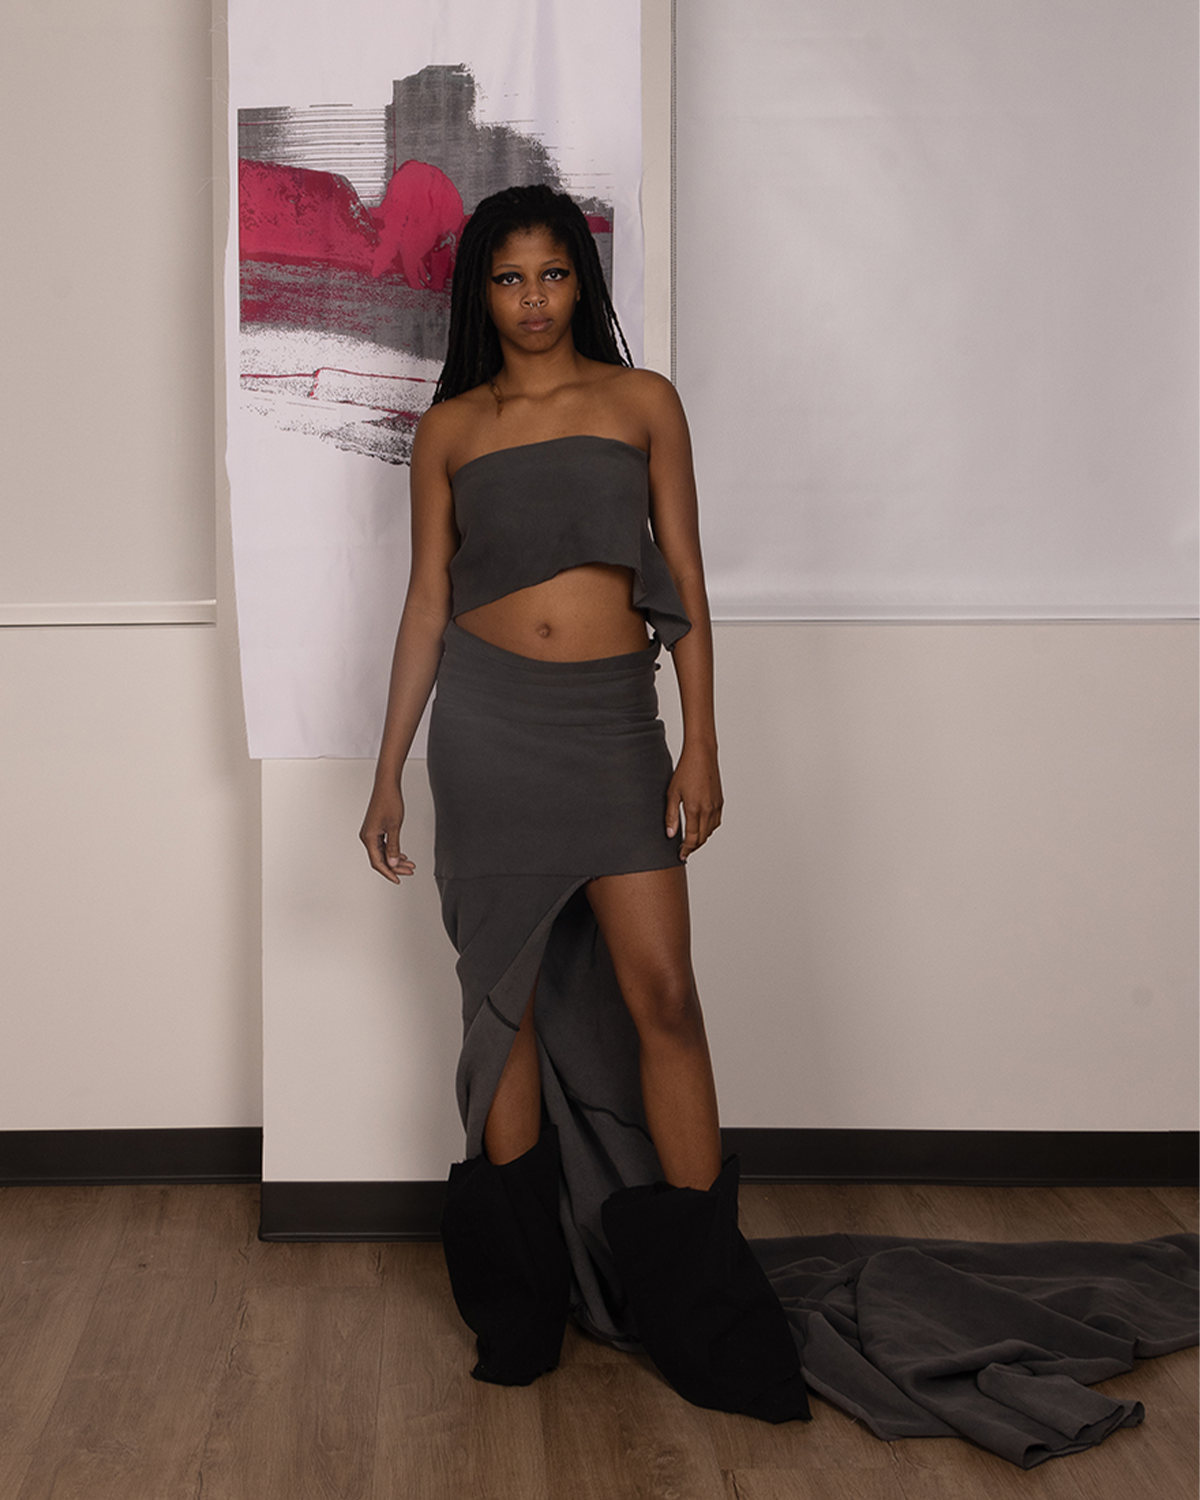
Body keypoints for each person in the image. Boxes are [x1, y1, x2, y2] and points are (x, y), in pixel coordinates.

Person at [359, 185, 807, 1423]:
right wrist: (389, 767)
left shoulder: (642, 402)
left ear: (581, 281)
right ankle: (522, 1306)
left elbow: (687, 579)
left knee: (664, 995)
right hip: (486, 737)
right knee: (501, 1012)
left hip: (612, 728)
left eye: (553, 275)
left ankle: (705, 1308)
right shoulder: (451, 429)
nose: (534, 301)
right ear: (481, 294)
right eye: (509, 279)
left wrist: (700, 742)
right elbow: (426, 603)